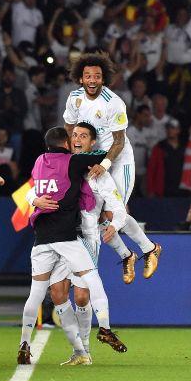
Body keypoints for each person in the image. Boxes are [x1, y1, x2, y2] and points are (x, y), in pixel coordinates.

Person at [27, 123, 129, 364]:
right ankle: (79, 352)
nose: (77, 139)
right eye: (74, 135)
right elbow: (31, 190)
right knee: (57, 293)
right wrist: (34, 198)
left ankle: (86, 348)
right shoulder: (58, 165)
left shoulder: (98, 173)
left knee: (82, 296)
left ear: (92, 143)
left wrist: (115, 224)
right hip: (60, 234)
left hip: (87, 235)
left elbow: (117, 206)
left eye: (84, 136)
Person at [63, 52, 162, 284]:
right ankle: (130, 255)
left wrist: (104, 164)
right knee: (97, 218)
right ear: (80, 78)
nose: (92, 80)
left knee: (113, 212)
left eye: (97, 76)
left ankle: (150, 249)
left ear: (103, 79)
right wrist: (75, 155)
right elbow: (69, 128)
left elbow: (118, 141)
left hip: (118, 161)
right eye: (87, 75)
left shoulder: (113, 103)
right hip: (91, 160)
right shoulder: (74, 99)